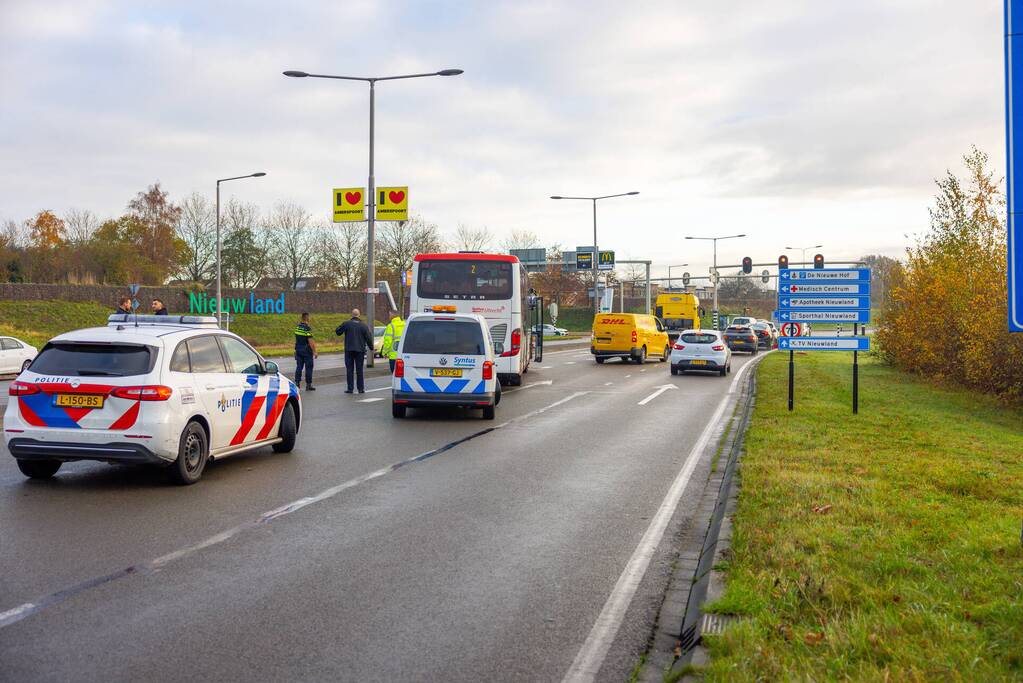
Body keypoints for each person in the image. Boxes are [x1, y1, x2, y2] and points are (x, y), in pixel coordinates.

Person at [335, 308, 373, 394]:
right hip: (360, 350)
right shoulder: (363, 325)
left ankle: (350, 388)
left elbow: (338, 332)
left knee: (349, 369)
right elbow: (368, 338)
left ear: (352, 315)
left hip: (349, 350)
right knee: (359, 370)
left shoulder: (347, 324)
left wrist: (341, 326)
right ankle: (361, 389)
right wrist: (371, 348)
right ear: (359, 315)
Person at [294, 312, 318, 391]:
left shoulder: (297, 327)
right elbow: (310, 341)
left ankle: (297, 384)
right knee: (309, 367)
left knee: (299, 367)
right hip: (306, 351)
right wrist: (314, 351)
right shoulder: (307, 328)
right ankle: (308, 385)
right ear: (307, 318)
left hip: (298, 349)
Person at [380, 309, 405, 373]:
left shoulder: (391, 326)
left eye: (389, 314)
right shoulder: (405, 324)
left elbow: (387, 341)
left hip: (394, 356)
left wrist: (384, 352)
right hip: (404, 355)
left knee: (394, 374)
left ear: (392, 315)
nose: (389, 316)